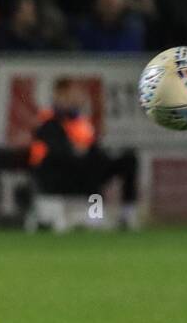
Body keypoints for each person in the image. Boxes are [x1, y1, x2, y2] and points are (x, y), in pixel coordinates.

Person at [29, 78, 139, 229]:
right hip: (56, 175)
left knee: (127, 159)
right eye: (69, 94)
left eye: (76, 94)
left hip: (84, 168)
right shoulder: (47, 121)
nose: (75, 98)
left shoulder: (81, 122)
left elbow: (92, 148)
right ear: (58, 95)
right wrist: (79, 152)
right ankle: (95, 215)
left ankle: (127, 214)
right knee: (90, 165)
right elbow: (56, 151)